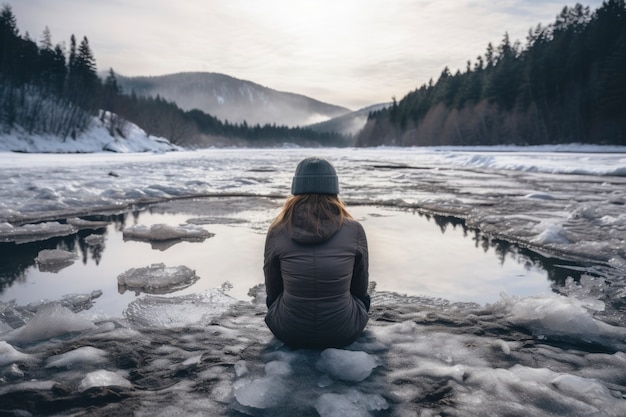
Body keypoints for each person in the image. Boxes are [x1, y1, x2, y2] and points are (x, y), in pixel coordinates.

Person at [263, 156, 370, 348]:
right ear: (334, 190)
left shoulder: (278, 230)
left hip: (288, 330)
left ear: (295, 190)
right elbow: (359, 286)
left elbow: (273, 288)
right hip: (344, 330)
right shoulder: (354, 229)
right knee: (362, 299)